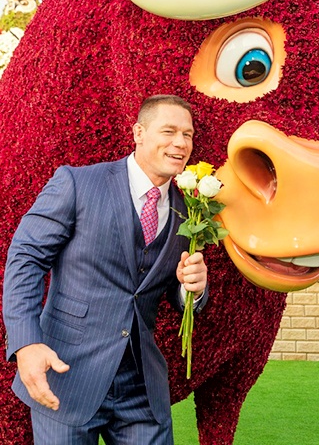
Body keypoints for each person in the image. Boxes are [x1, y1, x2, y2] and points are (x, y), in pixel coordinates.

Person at [3, 94, 208, 444]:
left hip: (142, 387)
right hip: (68, 375)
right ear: (139, 132)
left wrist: (194, 288)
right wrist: (26, 344)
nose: (180, 143)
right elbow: (26, 258)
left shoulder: (188, 211)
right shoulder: (77, 184)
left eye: (187, 135)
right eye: (169, 131)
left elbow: (166, 289)